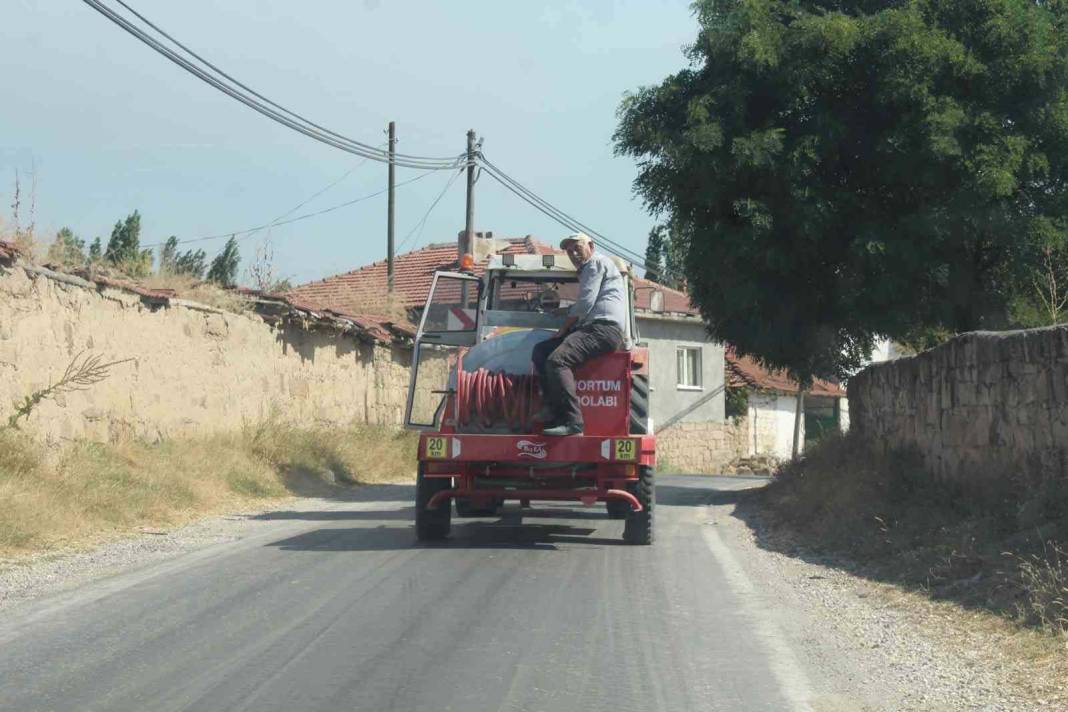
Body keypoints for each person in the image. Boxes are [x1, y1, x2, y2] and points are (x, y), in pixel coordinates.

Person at [532, 232, 627, 436]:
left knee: (557, 361)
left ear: (591, 246)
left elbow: (584, 305)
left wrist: (563, 328)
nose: (574, 253)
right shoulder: (590, 269)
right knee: (541, 351)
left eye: (577, 247)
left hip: (603, 329)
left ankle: (574, 423)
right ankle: (550, 408)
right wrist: (564, 312)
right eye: (569, 251)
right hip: (595, 327)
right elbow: (585, 304)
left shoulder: (594, 264)